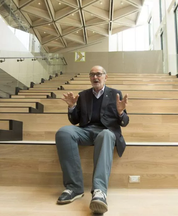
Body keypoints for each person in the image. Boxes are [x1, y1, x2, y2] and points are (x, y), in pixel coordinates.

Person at [55, 65, 129, 214]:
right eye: (92, 75)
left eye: (99, 74)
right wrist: (71, 107)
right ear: (89, 78)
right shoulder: (83, 95)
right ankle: (74, 188)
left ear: (105, 77)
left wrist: (121, 113)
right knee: (63, 132)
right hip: (86, 131)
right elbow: (75, 121)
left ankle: (99, 192)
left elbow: (125, 122)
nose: (95, 77)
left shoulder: (115, 94)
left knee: (107, 135)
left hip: (105, 132)